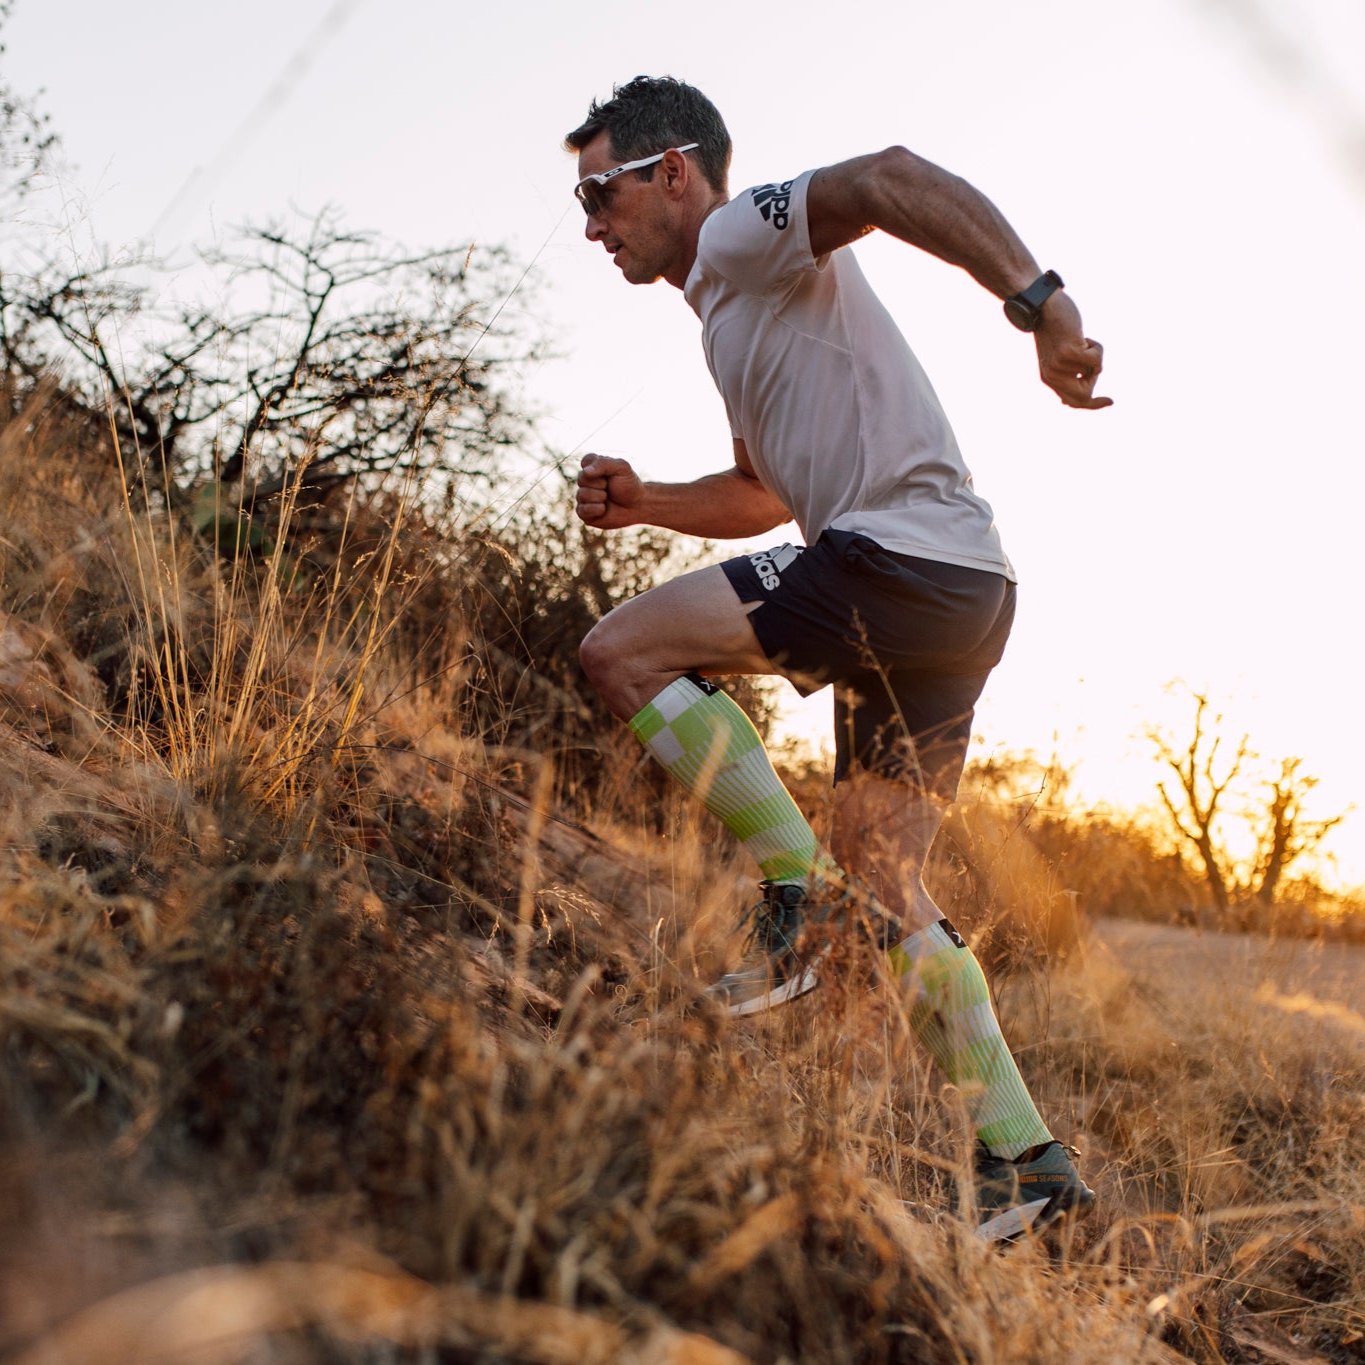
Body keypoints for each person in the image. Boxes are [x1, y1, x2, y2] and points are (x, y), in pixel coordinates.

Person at [563, 76, 1109, 1241]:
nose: (591, 225)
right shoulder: (727, 311)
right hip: (966, 587)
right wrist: (648, 499)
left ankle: (792, 894)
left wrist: (1041, 303)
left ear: (673, 171)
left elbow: (890, 179)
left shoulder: (736, 234)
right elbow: (761, 493)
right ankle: (1026, 1161)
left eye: (601, 194)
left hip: (892, 563)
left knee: (621, 654)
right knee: (886, 882)